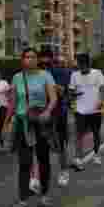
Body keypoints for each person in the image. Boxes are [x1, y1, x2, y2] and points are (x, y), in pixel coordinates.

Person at [3, 48, 59, 207]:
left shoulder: (45, 75)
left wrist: (48, 111)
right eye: (26, 57)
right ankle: (22, 200)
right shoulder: (17, 78)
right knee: (24, 162)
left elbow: (53, 97)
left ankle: (45, 193)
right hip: (23, 122)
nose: (30, 60)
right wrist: (5, 123)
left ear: (37, 60)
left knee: (43, 159)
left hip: (41, 122)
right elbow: (12, 103)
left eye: (33, 57)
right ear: (22, 60)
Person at [39, 49, 72, 177]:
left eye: (47, 62)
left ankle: (63, 171)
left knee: (60, 144)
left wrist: (59, 89)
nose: (44, 65)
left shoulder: (61, 72)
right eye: (42, 62)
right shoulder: (33, 75)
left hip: (58, 113)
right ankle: (40, 176)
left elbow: (66, 92)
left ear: (52, 60)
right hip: (40, 113)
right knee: (41, 146)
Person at [70, 53, 104, 168]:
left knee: (96, 133)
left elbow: (102, 89)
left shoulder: (97, 73)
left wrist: (101, 102)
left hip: (95, 110)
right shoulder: (74, 75)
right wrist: (74, 94)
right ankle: (78, 157)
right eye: (80, 65)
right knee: (79, 134)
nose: (82, 68)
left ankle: (97, 154)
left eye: (84, 65)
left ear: (89, 64)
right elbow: (71, 91)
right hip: (80, 110)